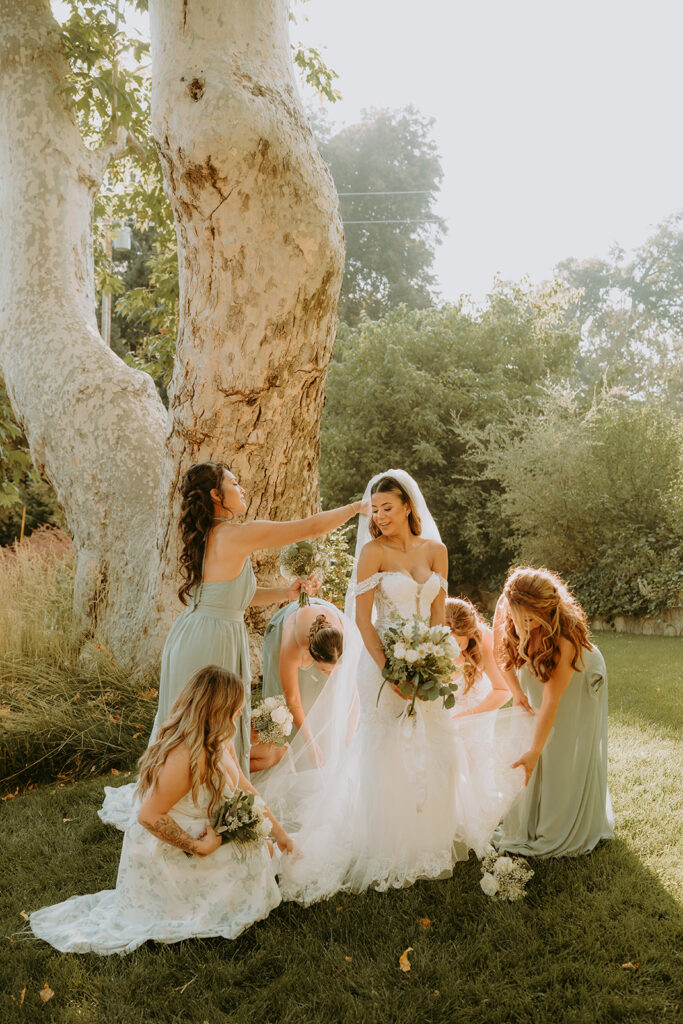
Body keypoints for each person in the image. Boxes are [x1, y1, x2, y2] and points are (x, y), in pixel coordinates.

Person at [274, 470, 534, 905]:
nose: (379, 516)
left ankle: (432, 835)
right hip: (381, 663)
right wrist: (391, 671)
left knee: (441, 746)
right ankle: (387, 841)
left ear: (408, 506)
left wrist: (433, 661)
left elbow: (437, 616)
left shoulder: (437, 551)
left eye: (387, 508)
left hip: (428, 662)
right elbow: (361, 620)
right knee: (386, 752)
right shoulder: (371, 553)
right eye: (374, 510)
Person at [100, 461, 366, 827]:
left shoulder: (213, 535)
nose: (242, 489)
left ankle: (196, 798)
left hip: (199, 631)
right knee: (209, 723)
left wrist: (285, 593)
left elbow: (231, 596)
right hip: (212, 641)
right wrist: (356, 508)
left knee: (196, 724)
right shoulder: (233, 534)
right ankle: (200, 807)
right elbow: (308, 527)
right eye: (234, 483)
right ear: (215, 495)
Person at [30, 668, 292, 955]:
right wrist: (199, 846)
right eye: (235, 710)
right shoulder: (184, 756)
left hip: (201, 827)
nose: (239, 716)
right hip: (166, 849)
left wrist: (280, 833)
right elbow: (149, 817)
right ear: (218, 710)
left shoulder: (219, 737)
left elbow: (243, 785)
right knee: (254, 859)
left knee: (263, 850)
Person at [493, 566, 615, 857]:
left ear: (545, 610)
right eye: (520, 617)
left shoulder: (566, 640)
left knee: (561, 743)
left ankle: (563, 818)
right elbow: (502, 656)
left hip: (579, 677)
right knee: (532, 735)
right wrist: (517, 693)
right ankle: (529, 817)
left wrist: (534, 753)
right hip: (538, 668)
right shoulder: (508, 603)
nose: (523, 623)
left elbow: (551, 701)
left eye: (531, 618)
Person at [252, 599, 344, 772]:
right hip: (285, 628)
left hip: (324, 622)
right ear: (311, 654)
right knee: (291, 700)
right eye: (324, 670)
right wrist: (310, 743)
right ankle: (291, 754)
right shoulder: (292, 646)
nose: (330, 675)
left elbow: (348, 691)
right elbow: (292, 698)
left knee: (322, 699)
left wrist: (346, 738)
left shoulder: (339, 642)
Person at [445, 596, 534, 716]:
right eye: (445, 643)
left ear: (469, 633)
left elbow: (504, 690)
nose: (451, 650)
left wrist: (470, 714)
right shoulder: (430, 640)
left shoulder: (484, 642)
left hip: (475, 716)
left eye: (458, 644)